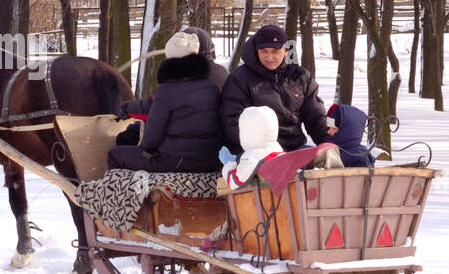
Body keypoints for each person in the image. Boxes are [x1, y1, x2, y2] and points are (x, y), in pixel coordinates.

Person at [108, 29, 222, 173]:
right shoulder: (210, 87)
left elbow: (152, 139)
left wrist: (145, 150)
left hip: (176, 162)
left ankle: (123, 193)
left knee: (115, 155)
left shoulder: (166, 90)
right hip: (210, 160)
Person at [220, 24, 336, 154]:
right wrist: (265, 148)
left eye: (275, 51)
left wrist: (332, 143)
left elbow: (316, 118)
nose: (269, 57)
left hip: (294, 148)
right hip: (255, 151)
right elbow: (232, 122)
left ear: (285, 50)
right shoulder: (239, 79)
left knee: (322, 159)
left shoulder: (300, 77)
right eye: (264, 51)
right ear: (256, 50)